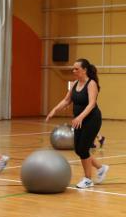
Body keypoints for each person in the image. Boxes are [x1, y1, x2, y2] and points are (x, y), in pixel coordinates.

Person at [46, 58, 109, 188]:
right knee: (78, 149)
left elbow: (92, 104)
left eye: (76, 69)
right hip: (79, 120)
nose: (74, 71)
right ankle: (101, 168)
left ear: (84, 70)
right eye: (73, 69)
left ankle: (88, 179)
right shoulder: (74, 83)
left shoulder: (91, 84)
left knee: (83, 148)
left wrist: (80, 117)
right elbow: (66, 100)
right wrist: (54, 110)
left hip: (92, 119)